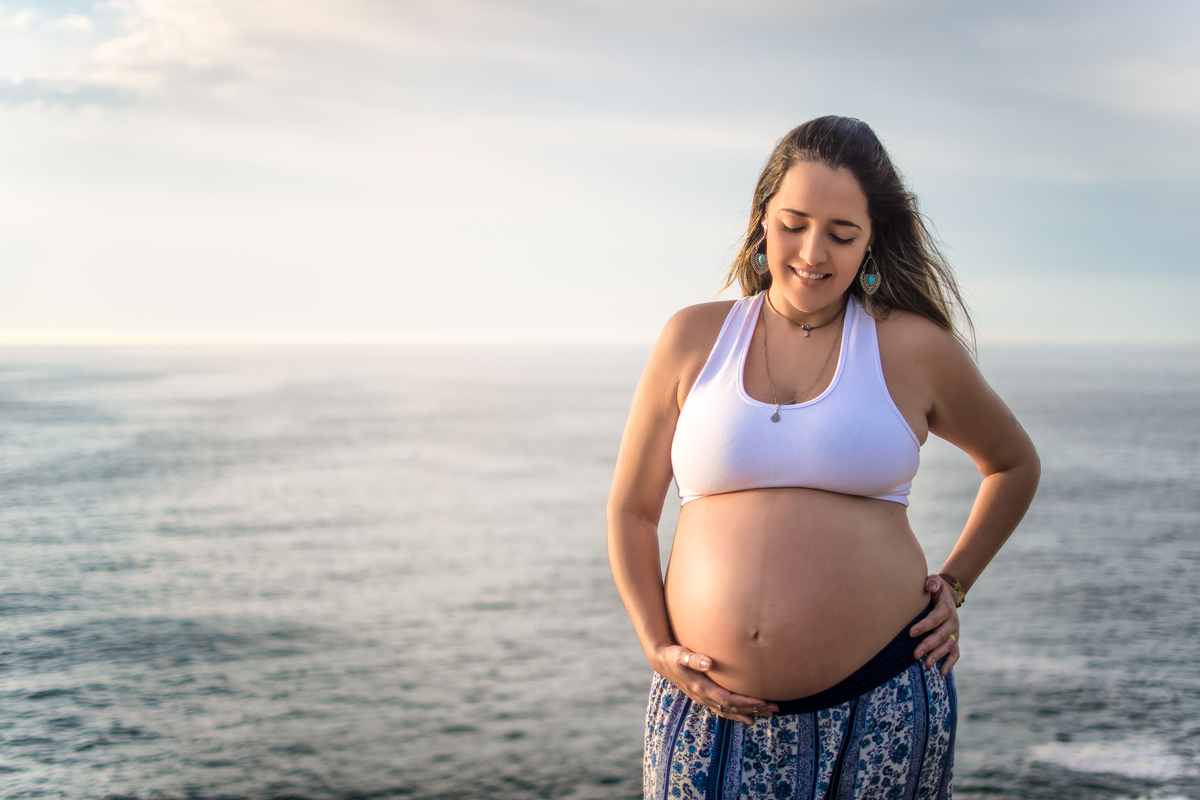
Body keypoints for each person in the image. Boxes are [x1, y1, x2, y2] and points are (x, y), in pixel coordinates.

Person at [606, 116, 1039, 800]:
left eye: (841, 234)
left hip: (882, 706)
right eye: (793, 223)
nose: (812, 253)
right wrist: (655, 644)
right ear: (761, 224)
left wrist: (954, 586)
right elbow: (632, 510)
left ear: (872, 242)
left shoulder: (911, 348)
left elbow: (1014, 464)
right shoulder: (693, 339)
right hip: (706, 711)